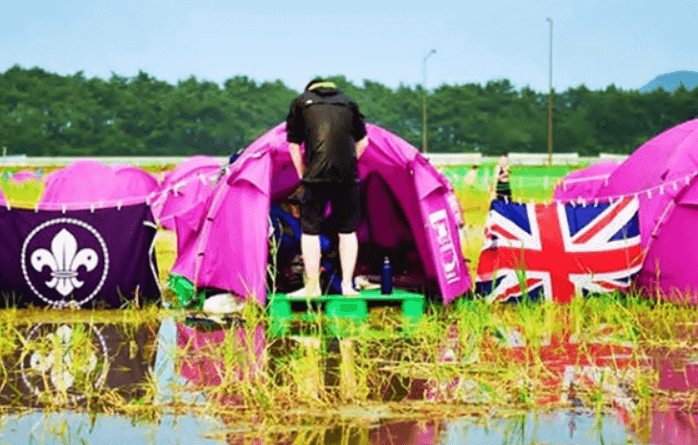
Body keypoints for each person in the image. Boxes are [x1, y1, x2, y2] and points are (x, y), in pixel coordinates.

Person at [286, 78, 369, 297]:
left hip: (315, 176)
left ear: (309, 89)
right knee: (348, 231)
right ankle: (348, 286)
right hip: (347, 177)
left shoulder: (301, 102)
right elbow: (363, 142)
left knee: (310, 231)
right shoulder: (349, 102)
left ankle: (312, 287)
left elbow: (294, 145)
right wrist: (351, 164)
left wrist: (302, 174)